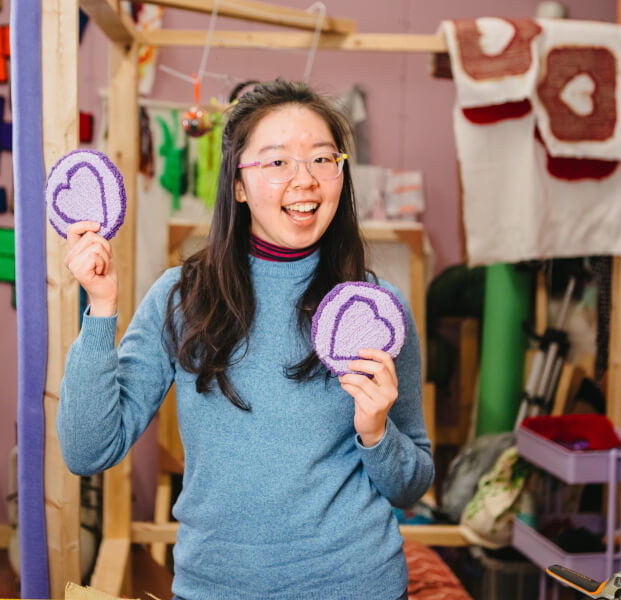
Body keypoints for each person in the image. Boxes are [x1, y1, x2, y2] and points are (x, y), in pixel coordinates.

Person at [58, 79, 433, 600]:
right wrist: (100, 309)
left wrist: (375, 432)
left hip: (356, 584)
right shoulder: (181, 296)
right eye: (278, 163)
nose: (305, 181)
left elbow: (412, 482)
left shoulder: (374, 311)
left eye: (323, 160)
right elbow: (87, 449)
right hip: (214, 588)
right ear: (237, 183)